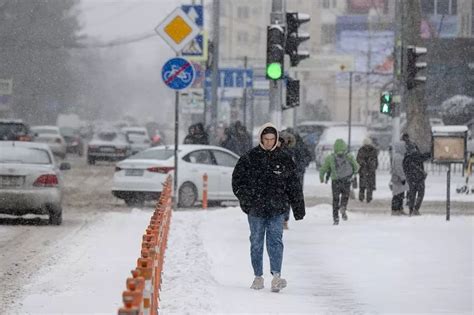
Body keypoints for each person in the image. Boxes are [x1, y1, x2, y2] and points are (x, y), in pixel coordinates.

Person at [232, 122, 305, 292]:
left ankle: (277, 276)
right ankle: (258, 276)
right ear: (261, 139)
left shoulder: (284, 159)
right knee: (256, 242)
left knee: (275, 242)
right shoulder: (249, 158)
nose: (269, 142)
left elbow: (293, 185)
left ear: (276, 140)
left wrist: (298, 208)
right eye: (266, 139)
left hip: (277, 209)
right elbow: (237, 181)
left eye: (272, 139)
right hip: (256, 209)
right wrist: (246, 201)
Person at [319, 138, 359, 225]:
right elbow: (356, 167)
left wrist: (322, 178)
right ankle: (343, 207)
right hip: (346, 180)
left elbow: (323, 169)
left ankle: (335, 218)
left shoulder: (330, 158)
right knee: (345, 196)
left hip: (335, 181)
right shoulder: (349, 156)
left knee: (335, 199)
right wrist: (353, 173)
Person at [401, 134, 431, 216]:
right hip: (419, 177)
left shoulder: (406, 157)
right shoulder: (417, 155)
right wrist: (432, 152)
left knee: (412, 193)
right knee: (420, 193)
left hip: (411, 178)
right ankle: (416, 209)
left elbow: (404, 168)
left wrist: (408, 175)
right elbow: (425, 156)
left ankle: (411, 210)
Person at [356, 137, 378, 203]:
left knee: (364, 185)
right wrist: (373, 166)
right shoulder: (373, 150)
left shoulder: (361, 150)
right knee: (368, 185)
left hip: (364, 169)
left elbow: (358, 159)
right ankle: (367, 197)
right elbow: (376, 160)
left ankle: (363, 197)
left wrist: (362, 163)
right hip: (368, 169)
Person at [390, 142, 408, 215]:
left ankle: (399, 209)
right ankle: (395, 209)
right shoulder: (399, 157)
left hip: (398, 178)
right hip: (398, 179)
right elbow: (399, 169)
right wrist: (403, 177)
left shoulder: (399, 156)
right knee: (397, 195)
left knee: (400, 194)